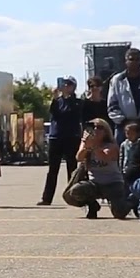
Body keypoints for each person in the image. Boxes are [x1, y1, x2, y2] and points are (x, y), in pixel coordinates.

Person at [62, 118, 130, 219]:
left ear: (106, 132)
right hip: (95, 184)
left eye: (99, 127)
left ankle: (131, 200)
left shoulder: (112, 145)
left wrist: (93, 146)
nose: (95, 130)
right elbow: (79, 158)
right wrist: (86, 146)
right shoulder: (86, 143)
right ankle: (92, 204)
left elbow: (105, 157)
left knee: (120, 213)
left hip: (112, 183)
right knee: (75, 191)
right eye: (93, 127)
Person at [39, 76, 83, 205]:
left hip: (71, 137)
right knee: (53, 169)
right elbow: (53, 113)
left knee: (72, 168)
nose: (65, 87)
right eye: (64, 84)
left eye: (69, 84)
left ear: (73, 86)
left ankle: (73, 196)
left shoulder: (78, 102)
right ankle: (47, 198)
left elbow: (71, 113)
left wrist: (69, 98)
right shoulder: (57, 102)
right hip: (56, 137)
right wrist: (54, 97)